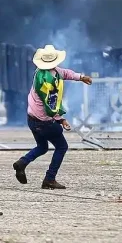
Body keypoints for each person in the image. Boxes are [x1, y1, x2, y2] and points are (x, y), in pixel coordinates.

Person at [12, 45, 93, 189]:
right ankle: (49, 179)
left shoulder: (43, 71)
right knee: (62, 146)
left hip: (32, 119)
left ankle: (22, 163)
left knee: (42, 147)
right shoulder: (47, 82)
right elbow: (50, 105)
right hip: (44, 121)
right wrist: (61, 119)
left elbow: (65, 73)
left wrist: (80, 77)